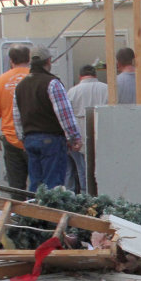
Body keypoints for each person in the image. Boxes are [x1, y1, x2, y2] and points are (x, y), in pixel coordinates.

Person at [13, 47, 83, 191]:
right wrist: (74, 137)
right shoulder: (52, 83)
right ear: (49, 61)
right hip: (52, 140)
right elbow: (64, 113)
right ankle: (52, 213)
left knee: (35, 185)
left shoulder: (20, 86)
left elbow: (17, 116)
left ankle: (34, 212)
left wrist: (22, 138)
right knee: (53, 186)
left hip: (30, 140)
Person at [0, 45, 30, 195]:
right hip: (34, 138)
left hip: (11, 140)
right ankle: (41, 217)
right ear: (29, 58)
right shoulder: (35, 78)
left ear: (11, 60)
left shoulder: (0, 81)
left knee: (16, 187)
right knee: (40, 185)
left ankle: (19, 216)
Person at [65, 65, 109, 192]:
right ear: (95, 75)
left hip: (79, 136)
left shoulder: (72, 92)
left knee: (81, 170)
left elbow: (67, 116)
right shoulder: (106, 89)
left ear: (80, 76)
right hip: (101, 134)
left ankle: (84, 195)